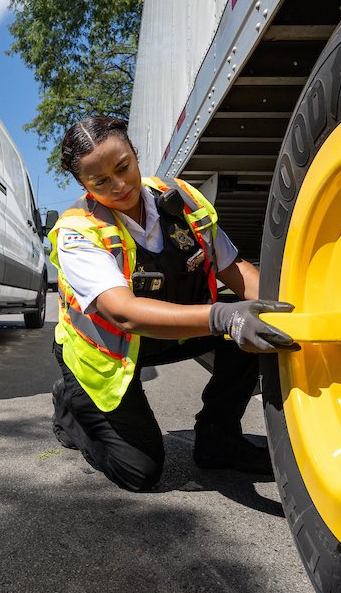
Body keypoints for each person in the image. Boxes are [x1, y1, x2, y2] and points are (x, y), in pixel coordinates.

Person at [48, 116, 298, 492]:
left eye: (123, 167)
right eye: (100, 182)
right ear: (83, 185)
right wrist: (223, 316)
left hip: (167, 333)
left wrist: (297, 308)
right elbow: (122, 313)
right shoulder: (79, 230)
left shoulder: (180, 199)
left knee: (253, 321)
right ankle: (70, 411)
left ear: (135, 153)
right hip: (104, 353)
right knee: (139, 470)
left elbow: (234, 269)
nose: (119, 186)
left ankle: (218, 441)